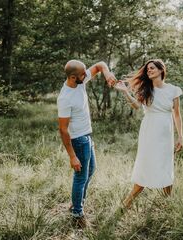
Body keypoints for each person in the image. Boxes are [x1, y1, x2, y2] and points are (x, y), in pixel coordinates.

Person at [114, 59, 183, 208]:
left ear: (161, 70)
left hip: (166, 133)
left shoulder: (173, 90)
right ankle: (128, 202)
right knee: (146, 163)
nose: (149, 71)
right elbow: (137, 106)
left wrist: (180, 136)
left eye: (152, 68)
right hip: (149, 130)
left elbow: (177, 115)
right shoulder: (146, 89)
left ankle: (167, 201)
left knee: (166, 164)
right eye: (147, 69)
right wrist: (125, 92)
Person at [57, 60, 116, 228]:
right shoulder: (65, 98)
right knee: (81, 176)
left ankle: (77, 203)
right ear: (73, 77)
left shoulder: (79, 82)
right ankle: (77, 214)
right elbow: (63, 130)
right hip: (78, 140)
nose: (87, 75)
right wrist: (72, 156)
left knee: (91, 170)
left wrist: (107, 73)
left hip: (87, 137)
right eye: (84, 74)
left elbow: (99, 65)